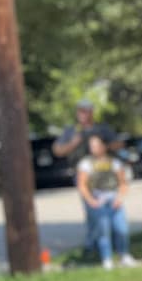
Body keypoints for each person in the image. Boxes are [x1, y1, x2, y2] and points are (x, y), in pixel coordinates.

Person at [54, 99, 119, 254]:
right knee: (92, 211)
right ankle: (93, 245)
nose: (81, 114)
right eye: (79, 111)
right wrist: (73, 143)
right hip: (84, 176)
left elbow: (118, 144)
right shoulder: (72, 131)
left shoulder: (101, 129)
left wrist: (103, 147)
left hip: (104, 176)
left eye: (85, 111)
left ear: (91, 112)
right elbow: (57, 150)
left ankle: (111, 244)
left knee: (111, 211)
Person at [75, 133, 137, 270]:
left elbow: (123, 183)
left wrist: (120, 198)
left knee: (121, 229)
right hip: (98, 199)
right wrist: (91, 201)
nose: (94, 148)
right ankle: (106, 258)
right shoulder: (85, 164)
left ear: (104, 146)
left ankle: (124, 254)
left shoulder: (113, 162)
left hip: (113, 198)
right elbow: (82, 185)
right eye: (91, 145)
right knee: (103, 231)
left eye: (96, 145)